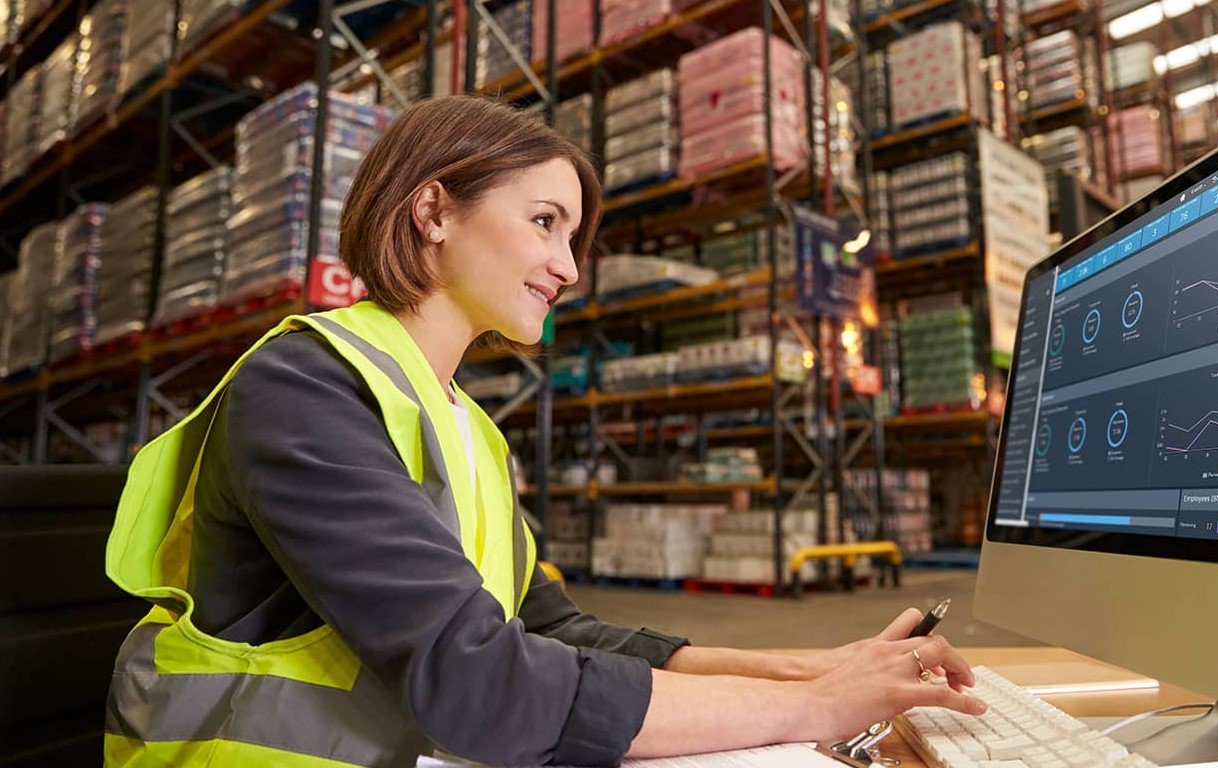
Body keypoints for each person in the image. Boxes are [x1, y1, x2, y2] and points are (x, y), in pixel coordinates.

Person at [103, 95, 988, 768]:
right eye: (544, 224)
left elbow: (554, 631)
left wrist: (811, 672)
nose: (568, 268)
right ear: (434, 210)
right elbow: (479, 681)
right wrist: (817, 713)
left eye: (574, 237)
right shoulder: (304, 386)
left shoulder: (464, 425)